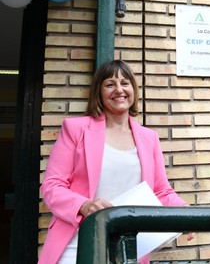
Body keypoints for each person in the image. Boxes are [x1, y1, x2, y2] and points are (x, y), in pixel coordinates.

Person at [38, 60, 194, 264]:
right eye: (110, 84)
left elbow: (161, 192)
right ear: (99, 93)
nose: (119, 89)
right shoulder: (75, 129)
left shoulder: (149, 138)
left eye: (125, 83)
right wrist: (85, 205)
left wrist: (184, 212)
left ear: (133, 90)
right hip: (78, 241)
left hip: (128, 247)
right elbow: (52, 186)